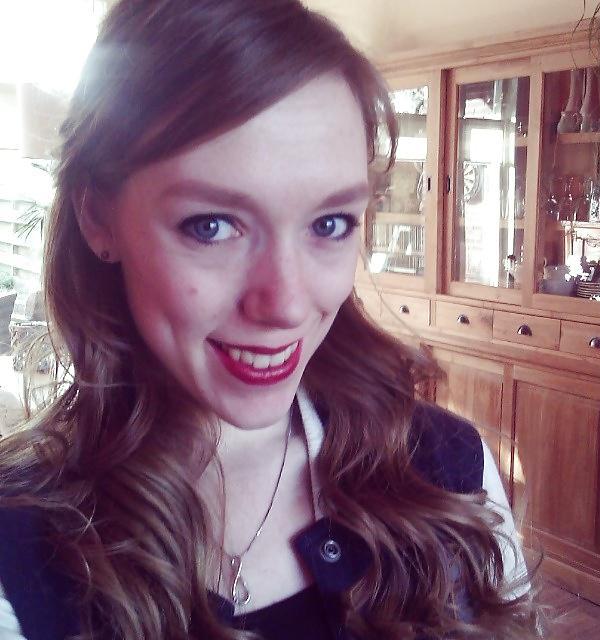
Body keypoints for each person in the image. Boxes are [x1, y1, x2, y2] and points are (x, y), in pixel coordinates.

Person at [0, 1, 541, 638]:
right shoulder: (20, 549)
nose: (286, 304)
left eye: (330, 223)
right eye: (212, 225)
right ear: (98, 217)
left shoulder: (448, 470)